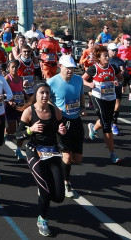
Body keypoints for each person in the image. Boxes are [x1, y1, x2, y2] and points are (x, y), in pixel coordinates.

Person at [16, 81, 67, 237]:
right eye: (41, 93)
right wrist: (30, 130)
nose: (45, 96)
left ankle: (43, 194)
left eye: (47, 93)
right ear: (36, 95)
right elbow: (17, 135)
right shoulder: (29, 112)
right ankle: (42, 220)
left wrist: (62, 131)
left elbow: (62, 128)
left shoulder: (55, 111)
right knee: (45, 192)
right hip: (35, 152)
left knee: (58, 196)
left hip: (52, 152)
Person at [47, 55, 85, 198]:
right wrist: (55, 110)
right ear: (60, 66)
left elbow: (81, 95)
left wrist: (82, 107)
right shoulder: (51, 82)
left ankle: (58, 164)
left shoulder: (78, 80)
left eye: (72, 68)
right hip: (62, 120)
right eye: (67, 68)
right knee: (67, 156)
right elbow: (44, 98)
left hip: (76, 120)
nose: (70, 71)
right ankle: (66, 182)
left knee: (78, 159)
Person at [84, 46, 122, 164]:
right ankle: (113, 154)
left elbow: (120, 79)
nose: (107, 57)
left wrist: (117, 82)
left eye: (107, 55)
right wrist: (89, 84)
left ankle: (93, 127)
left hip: (110, 97)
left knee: (106, 119)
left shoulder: (113, 68)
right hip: (98, 97)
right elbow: (82, 79)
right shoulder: (93, 69)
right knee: (107, 124)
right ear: (99, 58)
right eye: (104, 56)